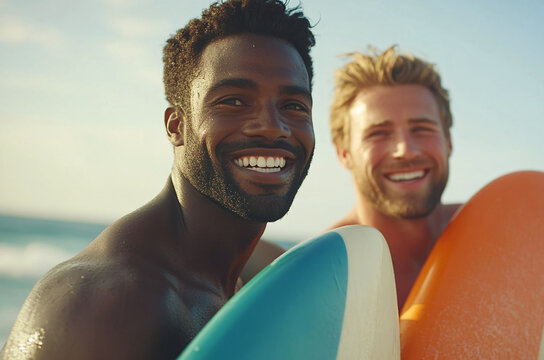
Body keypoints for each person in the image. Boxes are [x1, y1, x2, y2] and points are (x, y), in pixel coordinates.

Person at [246, 46, 544, 359]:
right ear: (344, 152)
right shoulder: (329, 277)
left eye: (422, 128)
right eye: (379, 133)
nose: (405, 149)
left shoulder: (506, 240)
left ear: (449, 141)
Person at [0, 1, 315, 359]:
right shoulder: (111, 302)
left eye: (294, 106)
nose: (273, 126)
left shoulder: (235, 274)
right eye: (233, 101)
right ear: (176, 126)